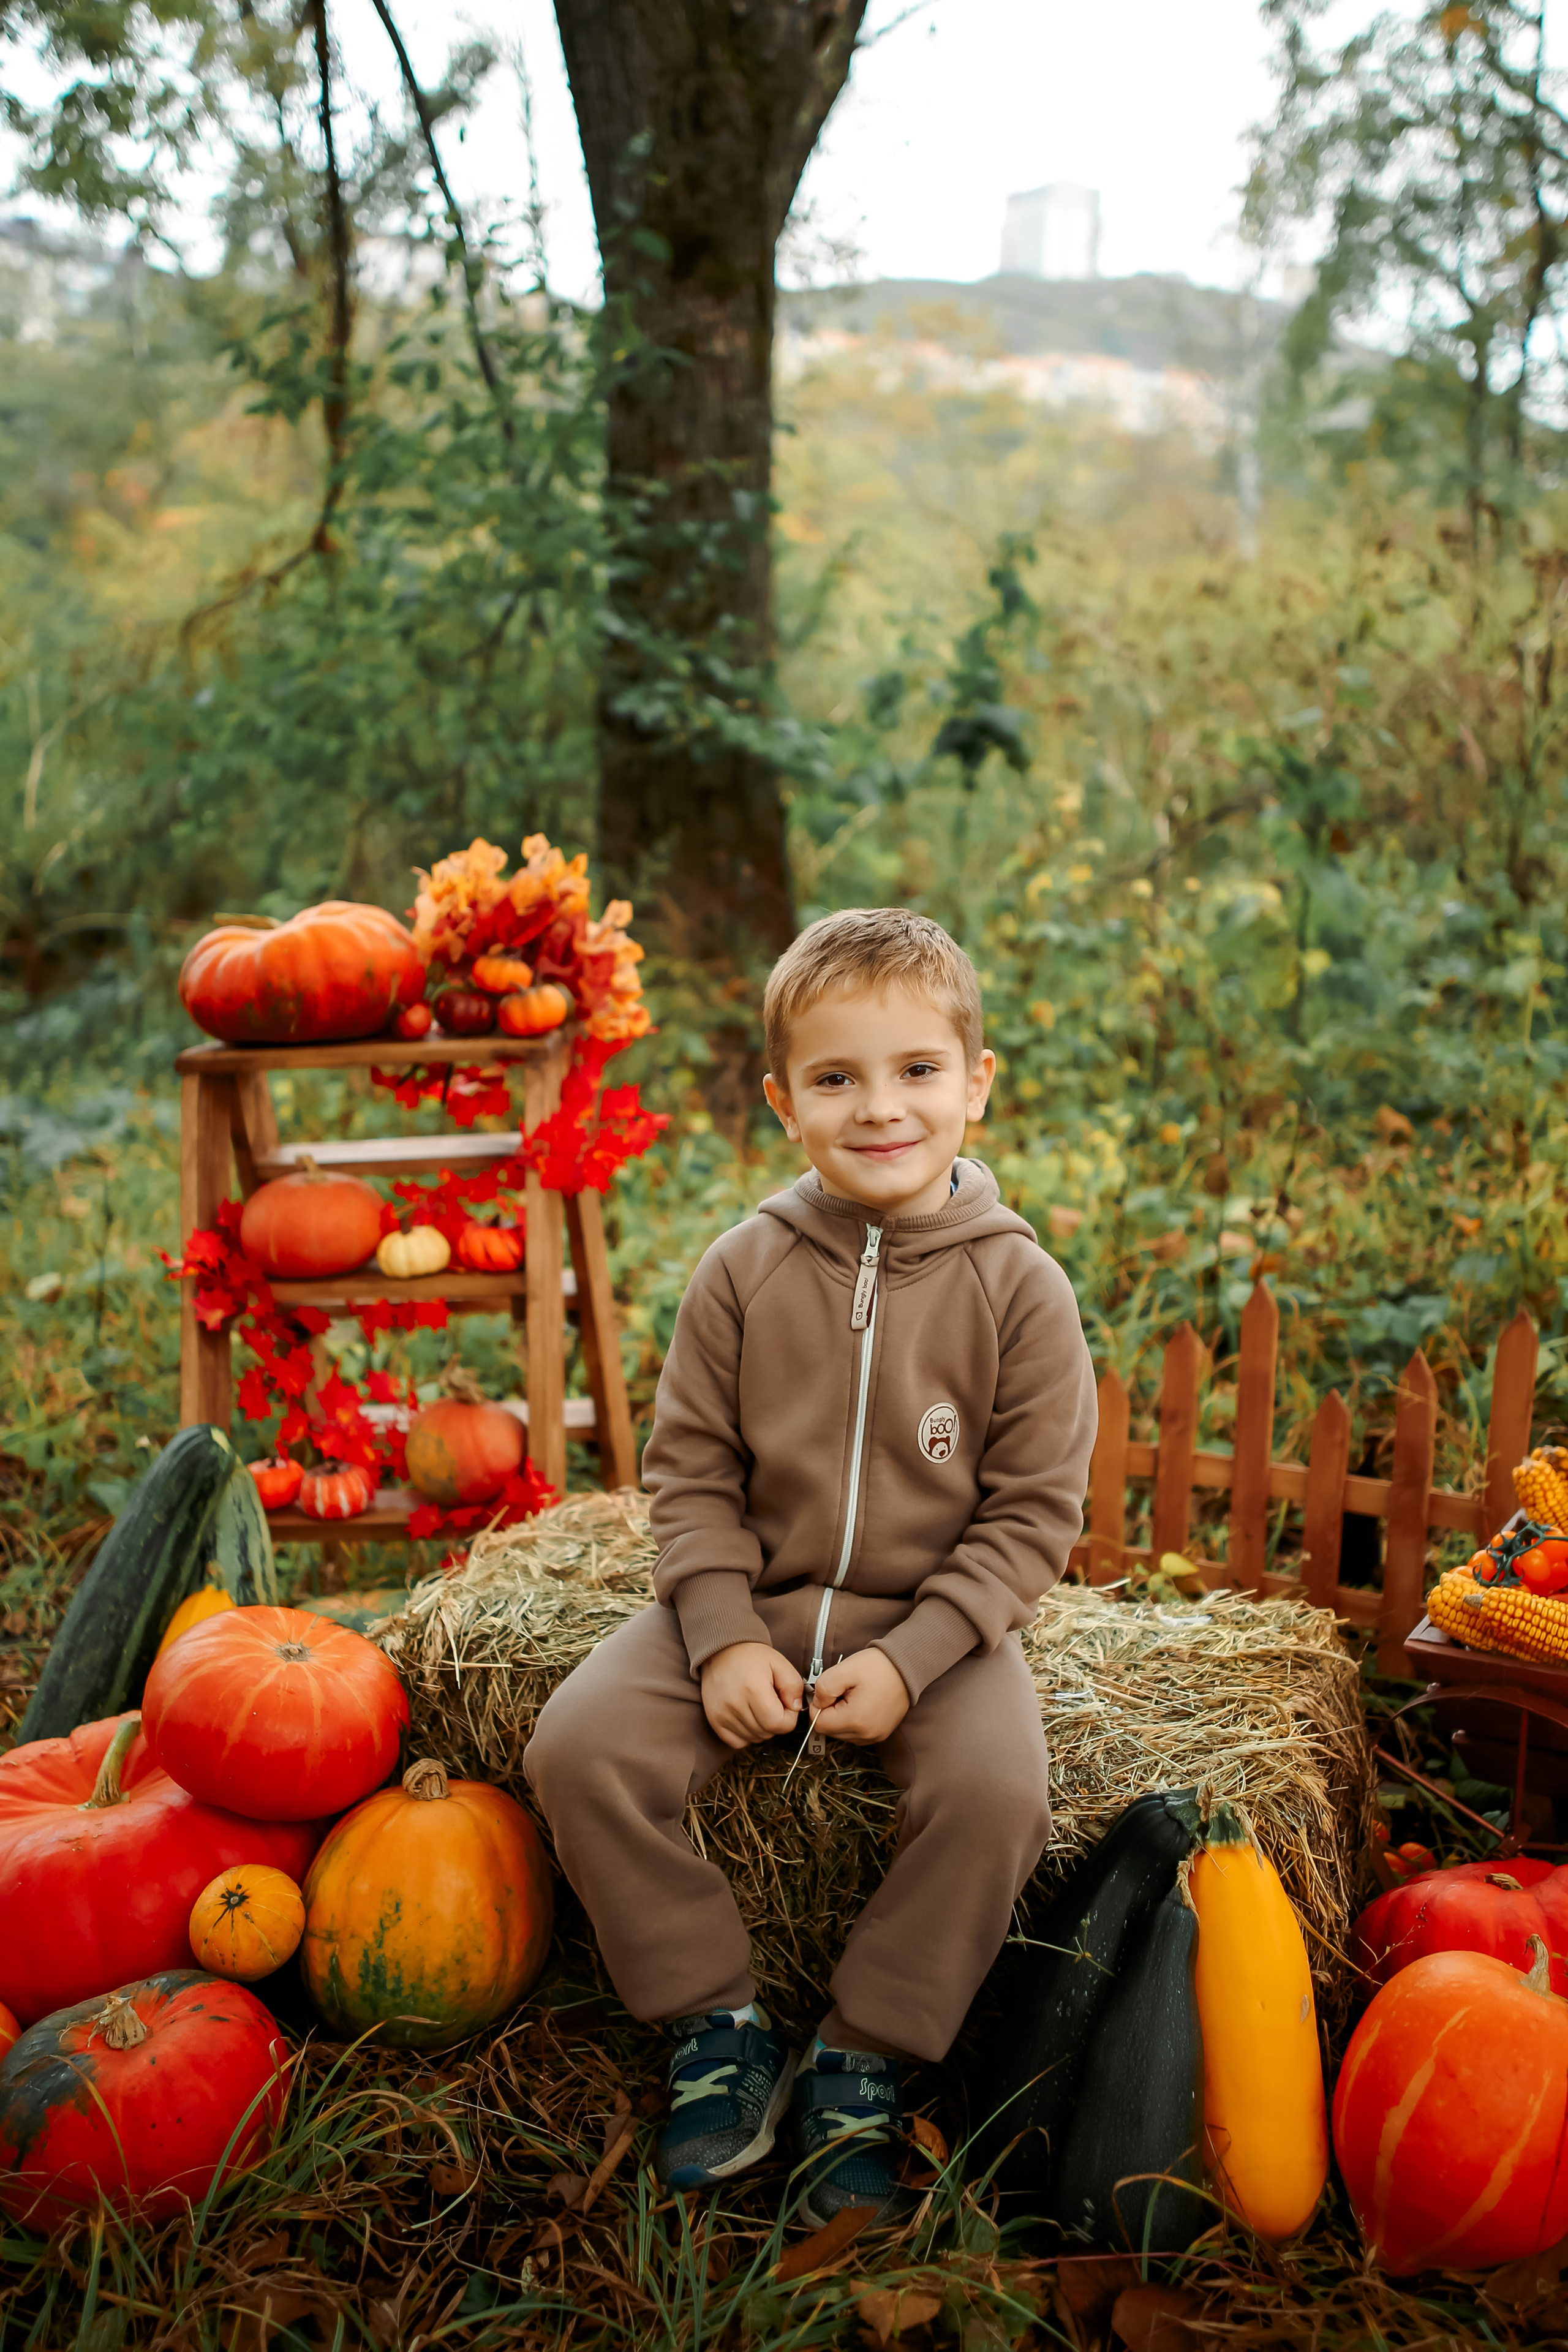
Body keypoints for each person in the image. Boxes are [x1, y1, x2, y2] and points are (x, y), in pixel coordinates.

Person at [526, 907, 1098, 2224]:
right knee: (576, 1746)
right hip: (756, 1598)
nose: (879, 1108)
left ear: (975, 1086)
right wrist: (722, 1633)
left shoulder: (1021, 1292)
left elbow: (1028, 1519)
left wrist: (911, 1660)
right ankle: (714, 2024)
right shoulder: (740, 1272)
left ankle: (866, 2053)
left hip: (940, 1633)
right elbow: (690, 1477)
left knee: (999, 1792)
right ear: (784, 1102)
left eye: (914, 1072)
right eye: (836, 1079)